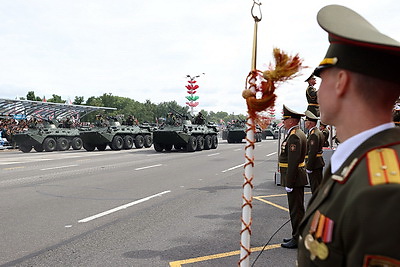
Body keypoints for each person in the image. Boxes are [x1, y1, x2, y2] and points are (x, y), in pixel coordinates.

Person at [297, 5, 400, 266]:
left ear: (341, 82)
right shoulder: (361, 162)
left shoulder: (381, 194)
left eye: (322, 80)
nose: (317, 92)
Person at [279, 105, 307, 249]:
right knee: (297, 209)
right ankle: (297, 235)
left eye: (285, 120)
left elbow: (293, 161)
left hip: (294, 179)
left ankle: (297, 238)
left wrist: (289, 183)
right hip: (297, 177)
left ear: (291, 121)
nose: (283, 122)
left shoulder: (295, 135)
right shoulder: (297, 133)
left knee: (296, 210)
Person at [304, 110, 325, 194]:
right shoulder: (318, 132)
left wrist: (309, 167)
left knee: (315, 188)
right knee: (318, 186)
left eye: (306, 121)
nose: (305, 123)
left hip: (314, 164)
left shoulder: (314, 135)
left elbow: (312, 152)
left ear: (310, 123)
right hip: (317, 162)